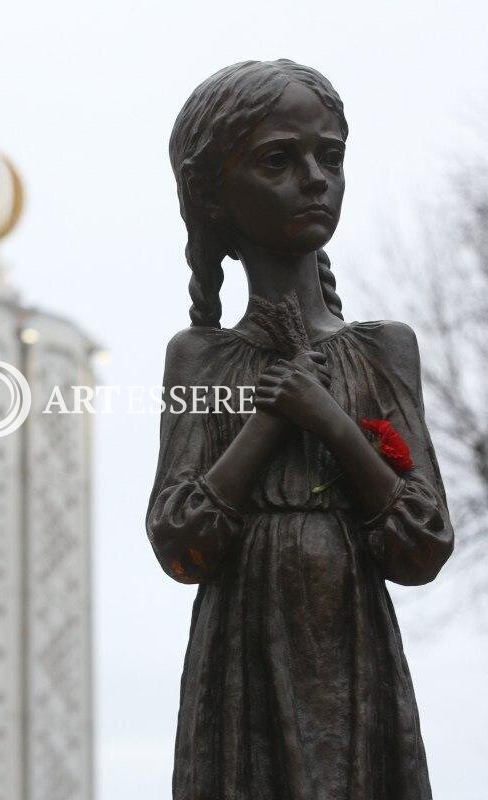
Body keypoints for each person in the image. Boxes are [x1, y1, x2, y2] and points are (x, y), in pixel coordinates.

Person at [146, 59, 455, 799]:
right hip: (243, 652)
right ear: (217, 196)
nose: (315, 177)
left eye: (331, 156)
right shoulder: (200, 358)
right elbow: (179, 538)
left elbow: (422, 541)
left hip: (354, 647)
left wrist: (332, 423)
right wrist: (270, 421)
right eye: (279, 160)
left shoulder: (383, 350)